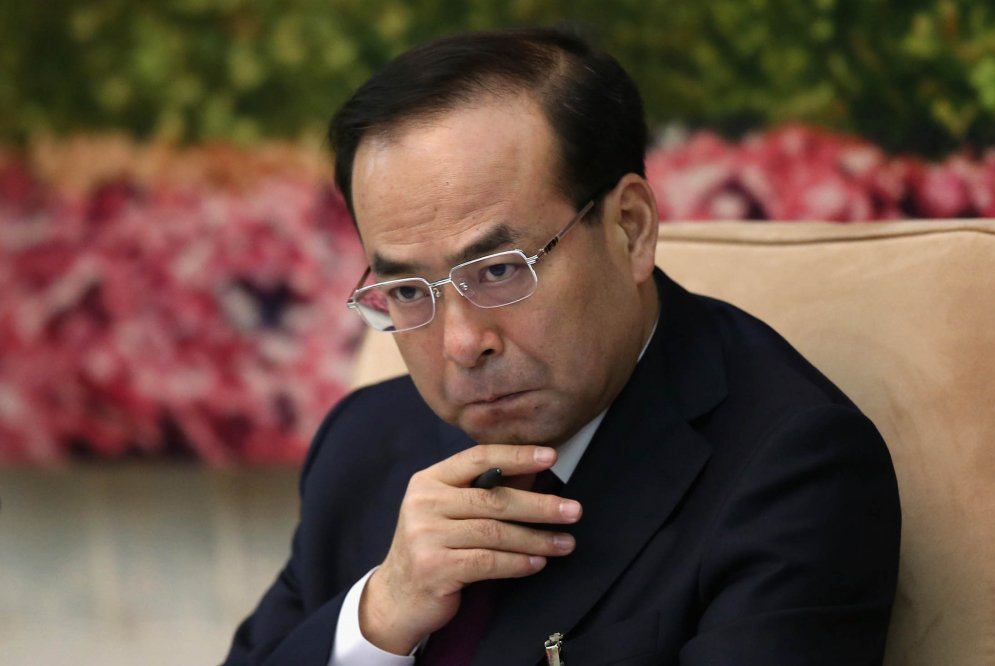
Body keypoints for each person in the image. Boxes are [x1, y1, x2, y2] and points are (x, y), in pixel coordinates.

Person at [223, 27, 900, 666]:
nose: (462, 344)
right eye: (406, 289)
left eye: (498, 271)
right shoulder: (363, 443)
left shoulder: (793, 468)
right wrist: (377, 618)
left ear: (630, 228)